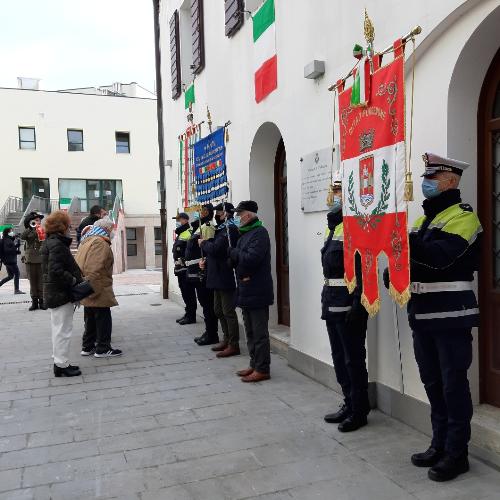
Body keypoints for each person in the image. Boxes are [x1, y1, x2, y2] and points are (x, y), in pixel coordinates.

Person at [389, 152, 482, 482]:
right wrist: (395, 273)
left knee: (453, 384)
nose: (426, 182)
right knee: (433, 383)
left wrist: (403, 244)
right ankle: (439, 443)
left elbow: (441, 259)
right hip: (423, 313)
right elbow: (408, 259)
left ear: (451, 181)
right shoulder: (421, 220)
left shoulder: (464, 217)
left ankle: (457, 453)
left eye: (433, 177)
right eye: (426, 177)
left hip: (452, 315)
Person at [321, 181, 370, 432]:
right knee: (339, 357)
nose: (333, 196)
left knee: (353, 359)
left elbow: (363, 267)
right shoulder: (335, 227)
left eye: (338, 192)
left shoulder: (355, 226)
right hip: (332, 301)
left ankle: (359, 410)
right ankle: (349, 402)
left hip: (349, 304)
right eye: (333, 191)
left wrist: (358, 302)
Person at [228, 200, 273, 382]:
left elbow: (251, 259)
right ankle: (254, 364)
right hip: (245, 290)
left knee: (259, 333)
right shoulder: (244, 234)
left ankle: (262, 368)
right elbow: (235, 260)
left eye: (239, 215)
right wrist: (232, 256)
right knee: (250, 332)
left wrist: (234, 255)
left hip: (257, 289)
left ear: (248, 215)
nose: (238, 218)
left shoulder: (260, 233)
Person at [41, 210, 83, 377]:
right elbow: (55, 270)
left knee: (58, 329)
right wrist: (73, 280)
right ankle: (61, 365)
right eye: (68, 225)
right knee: (63, 330)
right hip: (60, 294)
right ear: (62, 226)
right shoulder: (57, 244)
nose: (70, 228)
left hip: (55, 293)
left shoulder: (50, 242)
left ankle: (60, 361)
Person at [76, 217, 122, 358]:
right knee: (103, 318)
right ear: (106, 229)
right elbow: (94, 268)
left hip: (88, 285)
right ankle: (103, 348)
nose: (112, 232)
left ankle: (87, 346)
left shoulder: (87, 240)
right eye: (111, 229)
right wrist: (93, 290)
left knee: (90, 318)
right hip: (97, 287)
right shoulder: (99, 243)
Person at [199, 202, 241, 358]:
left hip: (225, 276)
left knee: (228, 311)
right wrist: (206, 262)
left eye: (219, 213)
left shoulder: (230, 230)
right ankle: (226, 339)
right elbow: (215, 252)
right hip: (216, 275)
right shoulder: (221, 229)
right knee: (218, 310)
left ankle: (233, 344)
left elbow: (217, 249)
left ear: (227, 214)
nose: (216, 215)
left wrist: (204, 243)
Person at [184, 204, 219, 346]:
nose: (201, 213)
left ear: (209, 213)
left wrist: (205, 267)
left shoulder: (208, 226)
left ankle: (212, 334)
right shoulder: (199, 226)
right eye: (200, 211)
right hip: (195, 270)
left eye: (204, 211)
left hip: (203, 271)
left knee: (208, 304)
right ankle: (208, 331)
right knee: (204, 303)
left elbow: (208, 249)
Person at [172, 212, 197, 325]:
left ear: (186, 220)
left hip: (186, 269)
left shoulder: (189, 232)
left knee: (189, 293)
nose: (178, 222)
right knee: (184, 293)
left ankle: (191, 316)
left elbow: (190, 251)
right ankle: (188, 313)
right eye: (177, 220)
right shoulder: (180, 233)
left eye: (180, 220)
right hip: (180, 269)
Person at [21, 211, 45, 310]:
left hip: (40, 258)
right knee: (32, 282)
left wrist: (38, 229)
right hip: (30, 259)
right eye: (35, 220)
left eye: (39, 220)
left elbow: (43, 240)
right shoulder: (28, 230)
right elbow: (23, 237)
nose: (37, 221)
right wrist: (30, 228)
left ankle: (42, 301)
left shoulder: (42, 230)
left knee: (41, 281)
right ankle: (34, 301)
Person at [0, 228, 25, 294]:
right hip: (10, 261)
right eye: (11, 231)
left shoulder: (7, 239)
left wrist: (17, 250)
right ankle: (16, 290)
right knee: (17, 274)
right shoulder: (7, 240)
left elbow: (10, 250)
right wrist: (16, 247)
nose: (12, 232)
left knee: (10, 276)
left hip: (7, 260)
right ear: (7, 232)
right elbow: (7, 250)